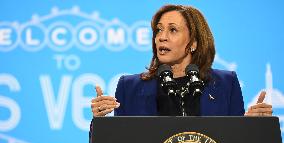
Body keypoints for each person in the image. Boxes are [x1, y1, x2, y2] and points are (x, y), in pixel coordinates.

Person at [91, 4, 272, 117]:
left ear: (193, 42)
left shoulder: (226, 84)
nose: (162, 37)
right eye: (159, 30)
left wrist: (251, 126)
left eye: (173, 30)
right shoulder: (129, 86)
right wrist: (100, 122)